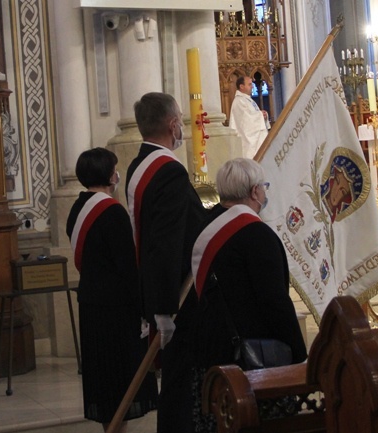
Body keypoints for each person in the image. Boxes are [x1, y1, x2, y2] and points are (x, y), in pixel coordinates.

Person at [191, 158, 308, 432]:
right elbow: (274, 301)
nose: (265, 194)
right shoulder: (258, 236)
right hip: (252, 361)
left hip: (210, 352)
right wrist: (297, 351)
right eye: (264, 188)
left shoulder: (203, 228)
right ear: (255, 192)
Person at [126, 92, 208, 433]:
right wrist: (163, 309)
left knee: (177, 379)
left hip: (158, 288)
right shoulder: (169, 171)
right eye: (182, 123)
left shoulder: (138, 164)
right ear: (174, 124)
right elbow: (166, 243)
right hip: (179, 296)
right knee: (182, 379)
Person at [66, 147, 158, 433]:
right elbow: (127, 267)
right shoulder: (112, 212)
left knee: (103, 378)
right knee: (120, 380)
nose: (118, 174)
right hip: (117, 312)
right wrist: (144, 307)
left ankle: (112, 427)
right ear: (108, 175)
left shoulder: (77, 209)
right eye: (115, 169)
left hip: (92, 305)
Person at [228, 76, 271, 158]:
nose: (252, 86)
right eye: (250, 84)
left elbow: (252, 115)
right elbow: (245, 121)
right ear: (242, 86)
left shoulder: (247, 99)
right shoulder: (239, 101)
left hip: (257, 139)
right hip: (248, 143)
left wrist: (263, 115)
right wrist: (259, 115)